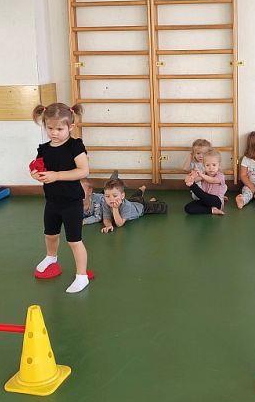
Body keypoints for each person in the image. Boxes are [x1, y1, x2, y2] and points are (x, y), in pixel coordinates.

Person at [30, 102, 94, 293]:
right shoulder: (44, 148)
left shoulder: (75, 146)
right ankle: (51, 257)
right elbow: (39, 167)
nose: (54, 133)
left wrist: (57, 175)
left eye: (59, 129)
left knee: (74, 240)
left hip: (71, 202)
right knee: (50, 234)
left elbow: (83, 171)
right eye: (50, 128)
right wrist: (35, 174)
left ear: (70, 127)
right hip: (52, 201)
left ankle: (81, 276)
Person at [100, 179, 167, 233]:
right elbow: (106, 218)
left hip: (142, 207)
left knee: (163, 207)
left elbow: (119, 224)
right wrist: (108, 225)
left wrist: (115, 208)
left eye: (115, 196)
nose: (111, 199)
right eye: (107, 196)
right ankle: (142, 189)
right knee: (136, 196)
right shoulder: (106, 204)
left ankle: (151, 201)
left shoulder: (126, 205)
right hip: (132, 201)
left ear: (122, 196)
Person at [184, 149, 226, 215]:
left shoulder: (220, 176)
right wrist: (191, 177)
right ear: (204, 166)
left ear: (219, 165)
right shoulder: (204, 174)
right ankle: (212, 210)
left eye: (214, 165)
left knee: (199, 192)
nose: (211, 168)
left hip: (216, 202)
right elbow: (196, 180)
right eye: (207, 165)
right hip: (205, 200)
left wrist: (200, 175)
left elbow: (212, 180)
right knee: (188, 208)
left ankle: (192, 186)